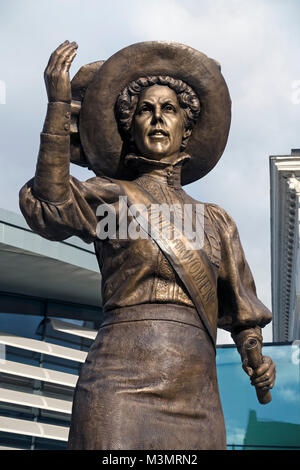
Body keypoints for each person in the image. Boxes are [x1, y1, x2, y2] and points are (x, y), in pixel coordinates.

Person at [19, 40, 276, 450]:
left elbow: (243, 313)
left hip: (196, 393)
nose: (157, 119)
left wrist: (254, 356)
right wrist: (57, 108)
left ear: (186, 129)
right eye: (145, 110)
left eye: (169, 110)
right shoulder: (109, 198)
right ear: (130, 127)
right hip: (118, 384)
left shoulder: (215, 221)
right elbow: (49, 208)